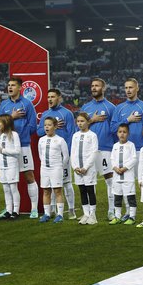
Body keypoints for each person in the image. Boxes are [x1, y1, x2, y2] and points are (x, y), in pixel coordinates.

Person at [0, 77, 39, 217]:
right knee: (7, 180)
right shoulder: (4, 105)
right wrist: (12, 117)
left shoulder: (27, 104)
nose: (10, 87)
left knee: (29, 176)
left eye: (13, 85)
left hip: (23, 146)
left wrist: (20, 136)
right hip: (7, 149)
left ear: (20, 88)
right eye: (8, 85)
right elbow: (0, 125)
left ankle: (33, 209)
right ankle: (9, 209)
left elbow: (33, 126)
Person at [110, 78, 143, 221]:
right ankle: (128, 213)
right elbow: (112, 128)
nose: (128, 90)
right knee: (126, 183)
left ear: (137, 88)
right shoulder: (119, 108)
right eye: (126, 87)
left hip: (141, 149)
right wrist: (127, 120)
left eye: (131, 87)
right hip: (124, 152)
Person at [36, 88, 77, 220]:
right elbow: (38, 132)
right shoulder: (45, 115)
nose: (50, 99)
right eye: (48, 97)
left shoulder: (67, 114)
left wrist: (69, 155)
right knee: (50, 186)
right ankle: (51, 211)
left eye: (53, 97)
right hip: (50, 157)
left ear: (59, 98)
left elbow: (71, 134)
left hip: (63, 156)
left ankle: (71, 210)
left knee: (66, 183)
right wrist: (51, 126)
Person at [81, 77, 117, 221]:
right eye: (92, 86)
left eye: (97, 86)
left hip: (105, 148)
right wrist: (92, 120)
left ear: (104, 88)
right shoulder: (85, 108)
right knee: (90, 181)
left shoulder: (111, 107)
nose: (94, 88)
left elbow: (115, 129)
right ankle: (90, 212)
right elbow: (81, 126)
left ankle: (112, 210)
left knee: (110, 180)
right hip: (89, 150)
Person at [37, 117, 70, 224]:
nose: (46, 127)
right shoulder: (41, 140)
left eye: (49, 125)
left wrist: (60, 166)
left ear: (55, 127)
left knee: (57, 191)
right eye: (45, 125)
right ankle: (47, 214)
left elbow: (65, 157)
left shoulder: (60, 140)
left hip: (56, 168)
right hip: (44, 169)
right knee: (46, 191)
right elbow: (40, 155)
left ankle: (60, 214)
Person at [71, 112, 98, 225]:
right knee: (82, 191)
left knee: (90, 191)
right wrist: (75, 166)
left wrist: (86, 167)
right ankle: (86, 214)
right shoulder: (75, 135)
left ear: (88, 122)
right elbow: (72, 152)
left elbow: (94, 152)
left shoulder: (92, 135)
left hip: (88, 169)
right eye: (78, 121)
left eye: (82, 121)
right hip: (78, 170)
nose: (80, 123)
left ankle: (93, 215)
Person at [0, 115, 21, 221]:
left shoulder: (14, 135)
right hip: (2, 166)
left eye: (0, 122)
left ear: (6, 123)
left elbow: (17, 151)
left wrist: (5, 151)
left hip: (11, 165)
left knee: (13, 188)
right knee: (6, 189)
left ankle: (16, 211)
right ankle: (8, 211)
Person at [109, 123, 137, 225]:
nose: (122, 134)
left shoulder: (131, 145)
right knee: (117, 197)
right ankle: (117, 216)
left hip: (128, 176)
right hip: (117, 177)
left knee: (130, 197)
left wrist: (125, 168)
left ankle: (132, 217)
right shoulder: (115, 146)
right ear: (117, 133)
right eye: (120, 132)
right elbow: (112, 159)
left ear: (128, 134)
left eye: (124, 132)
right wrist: (115, 168)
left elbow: (134, 159)